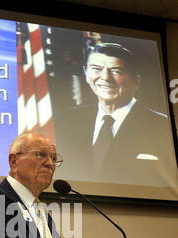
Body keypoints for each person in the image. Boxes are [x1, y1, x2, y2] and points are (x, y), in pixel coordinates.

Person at [0, 132, 129, 238]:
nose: (50, 163)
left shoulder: (42, 212)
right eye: (41, 155)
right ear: (14, 162)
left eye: (53, 158)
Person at [57, 42, 177, 186]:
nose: (105, 77)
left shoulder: (162, 126)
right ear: (86, 74)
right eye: (96, 69)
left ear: (136, 81)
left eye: (116, 71)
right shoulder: (67, 120)